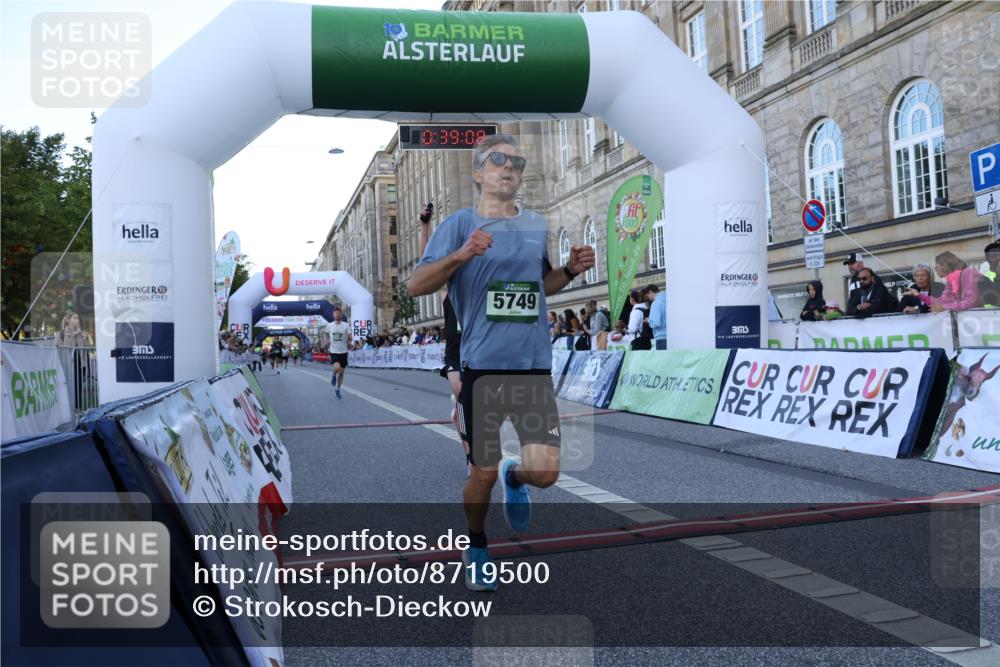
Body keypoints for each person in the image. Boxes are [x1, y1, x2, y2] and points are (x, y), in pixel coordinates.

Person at [408, 133, 595, 592]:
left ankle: (518, 474)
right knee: (482, 473)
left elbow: (539, 287)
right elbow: (416, 286)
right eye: (497, 160)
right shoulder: (458, 224)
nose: (509, 167)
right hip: (483, 367)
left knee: (546, 475)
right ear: (478, 173)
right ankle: (476, 545)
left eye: (516, 161)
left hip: (532, 365)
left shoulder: (535, 225)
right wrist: (461, 254)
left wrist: (569, 271)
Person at [418, 201, 468, 471]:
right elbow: (428, 260)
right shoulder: (447, 289)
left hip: (480, 348)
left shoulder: (477, 283)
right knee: (461, 395)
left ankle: (460, 416)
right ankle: (471, 460)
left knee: (482, 409)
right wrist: (425, 226)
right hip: (456, 351)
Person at [909, 251, 981, 312]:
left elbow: (972, 302)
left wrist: (944, 307)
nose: (935, 270)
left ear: (944, 265)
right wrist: (919, 295)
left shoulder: (968, 273)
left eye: (936, 266)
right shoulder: (951, 281)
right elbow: (941, 301)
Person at [327, 306, 352, 398]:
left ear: (341, 315)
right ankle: (333, 374)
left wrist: (350, 339)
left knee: (341, 373)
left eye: (339, 313)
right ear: (333, 315)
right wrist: (326, 341)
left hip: (344, 351)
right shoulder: (329, 325)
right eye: (336, 313)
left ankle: (337, 389)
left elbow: (349, 334)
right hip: (334, 350)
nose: (337, 314)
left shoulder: (346, 325)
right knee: (337, 367)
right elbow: (326, 333)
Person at [978, 241, 1000, 307]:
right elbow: (992, 300)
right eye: (994, 256)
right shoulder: (983, 278)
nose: (998, 258)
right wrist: (998, 277)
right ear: (987, 259)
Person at [645, 284, 667, 349]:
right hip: (671, 337)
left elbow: (656, 323)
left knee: (662, 359)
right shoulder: (667, 300)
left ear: (651, 292)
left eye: (647, 295)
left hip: (661, 337)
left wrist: (648, 320)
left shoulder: (656, 303)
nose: (648, 298)